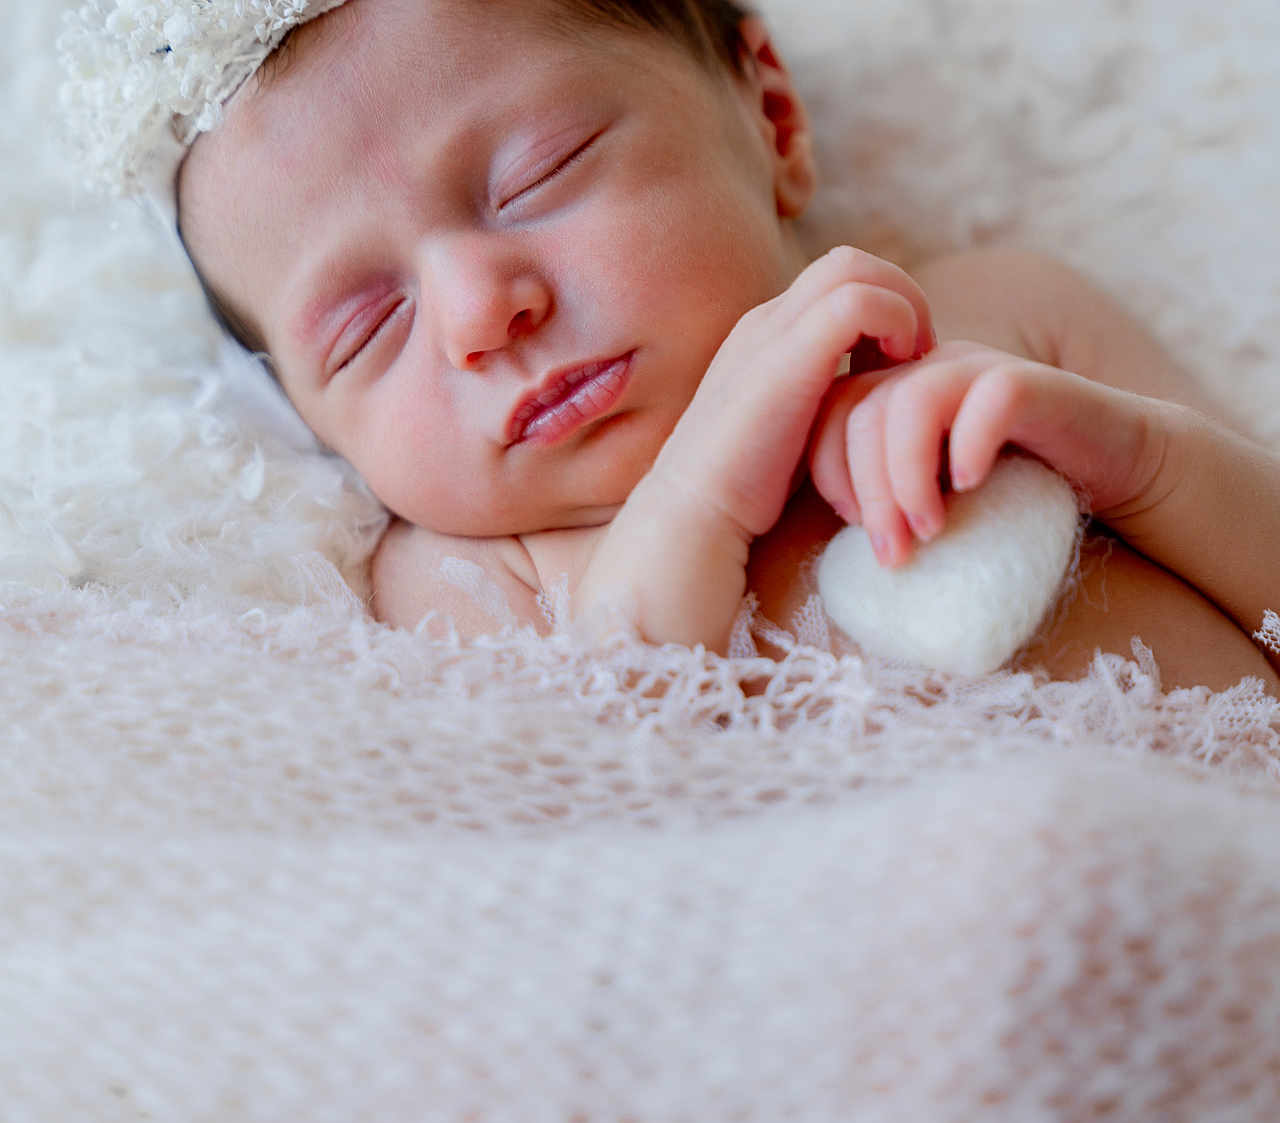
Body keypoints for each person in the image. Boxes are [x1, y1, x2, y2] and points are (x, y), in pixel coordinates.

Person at [156, 0, 1280, 691]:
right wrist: (697, 493)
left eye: (536, 175)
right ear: (311, 419)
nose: (474, 312)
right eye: (366, 329)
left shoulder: (995, 318)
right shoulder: (474, 573)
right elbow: (575, 815)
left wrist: (1135, 464)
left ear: (771, 119)